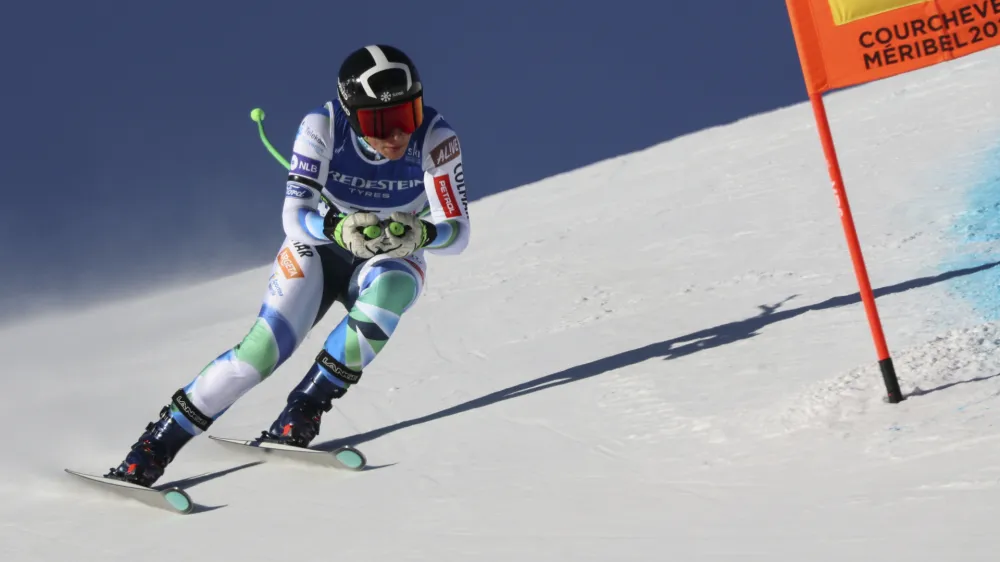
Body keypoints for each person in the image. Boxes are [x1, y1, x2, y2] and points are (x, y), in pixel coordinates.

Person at [106, 44, 471, 487]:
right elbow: (294, 217)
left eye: (407, 115)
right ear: (352, 114)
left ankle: (303, 412)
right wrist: (336, 228)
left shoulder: (436, 137)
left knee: (389, 294)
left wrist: (424, 234)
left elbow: (458, 231)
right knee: (261, 351)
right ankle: (152, 448)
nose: (397, 135)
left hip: (390, 253)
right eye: (381, 122)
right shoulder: (322, 125)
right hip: (320, 248)